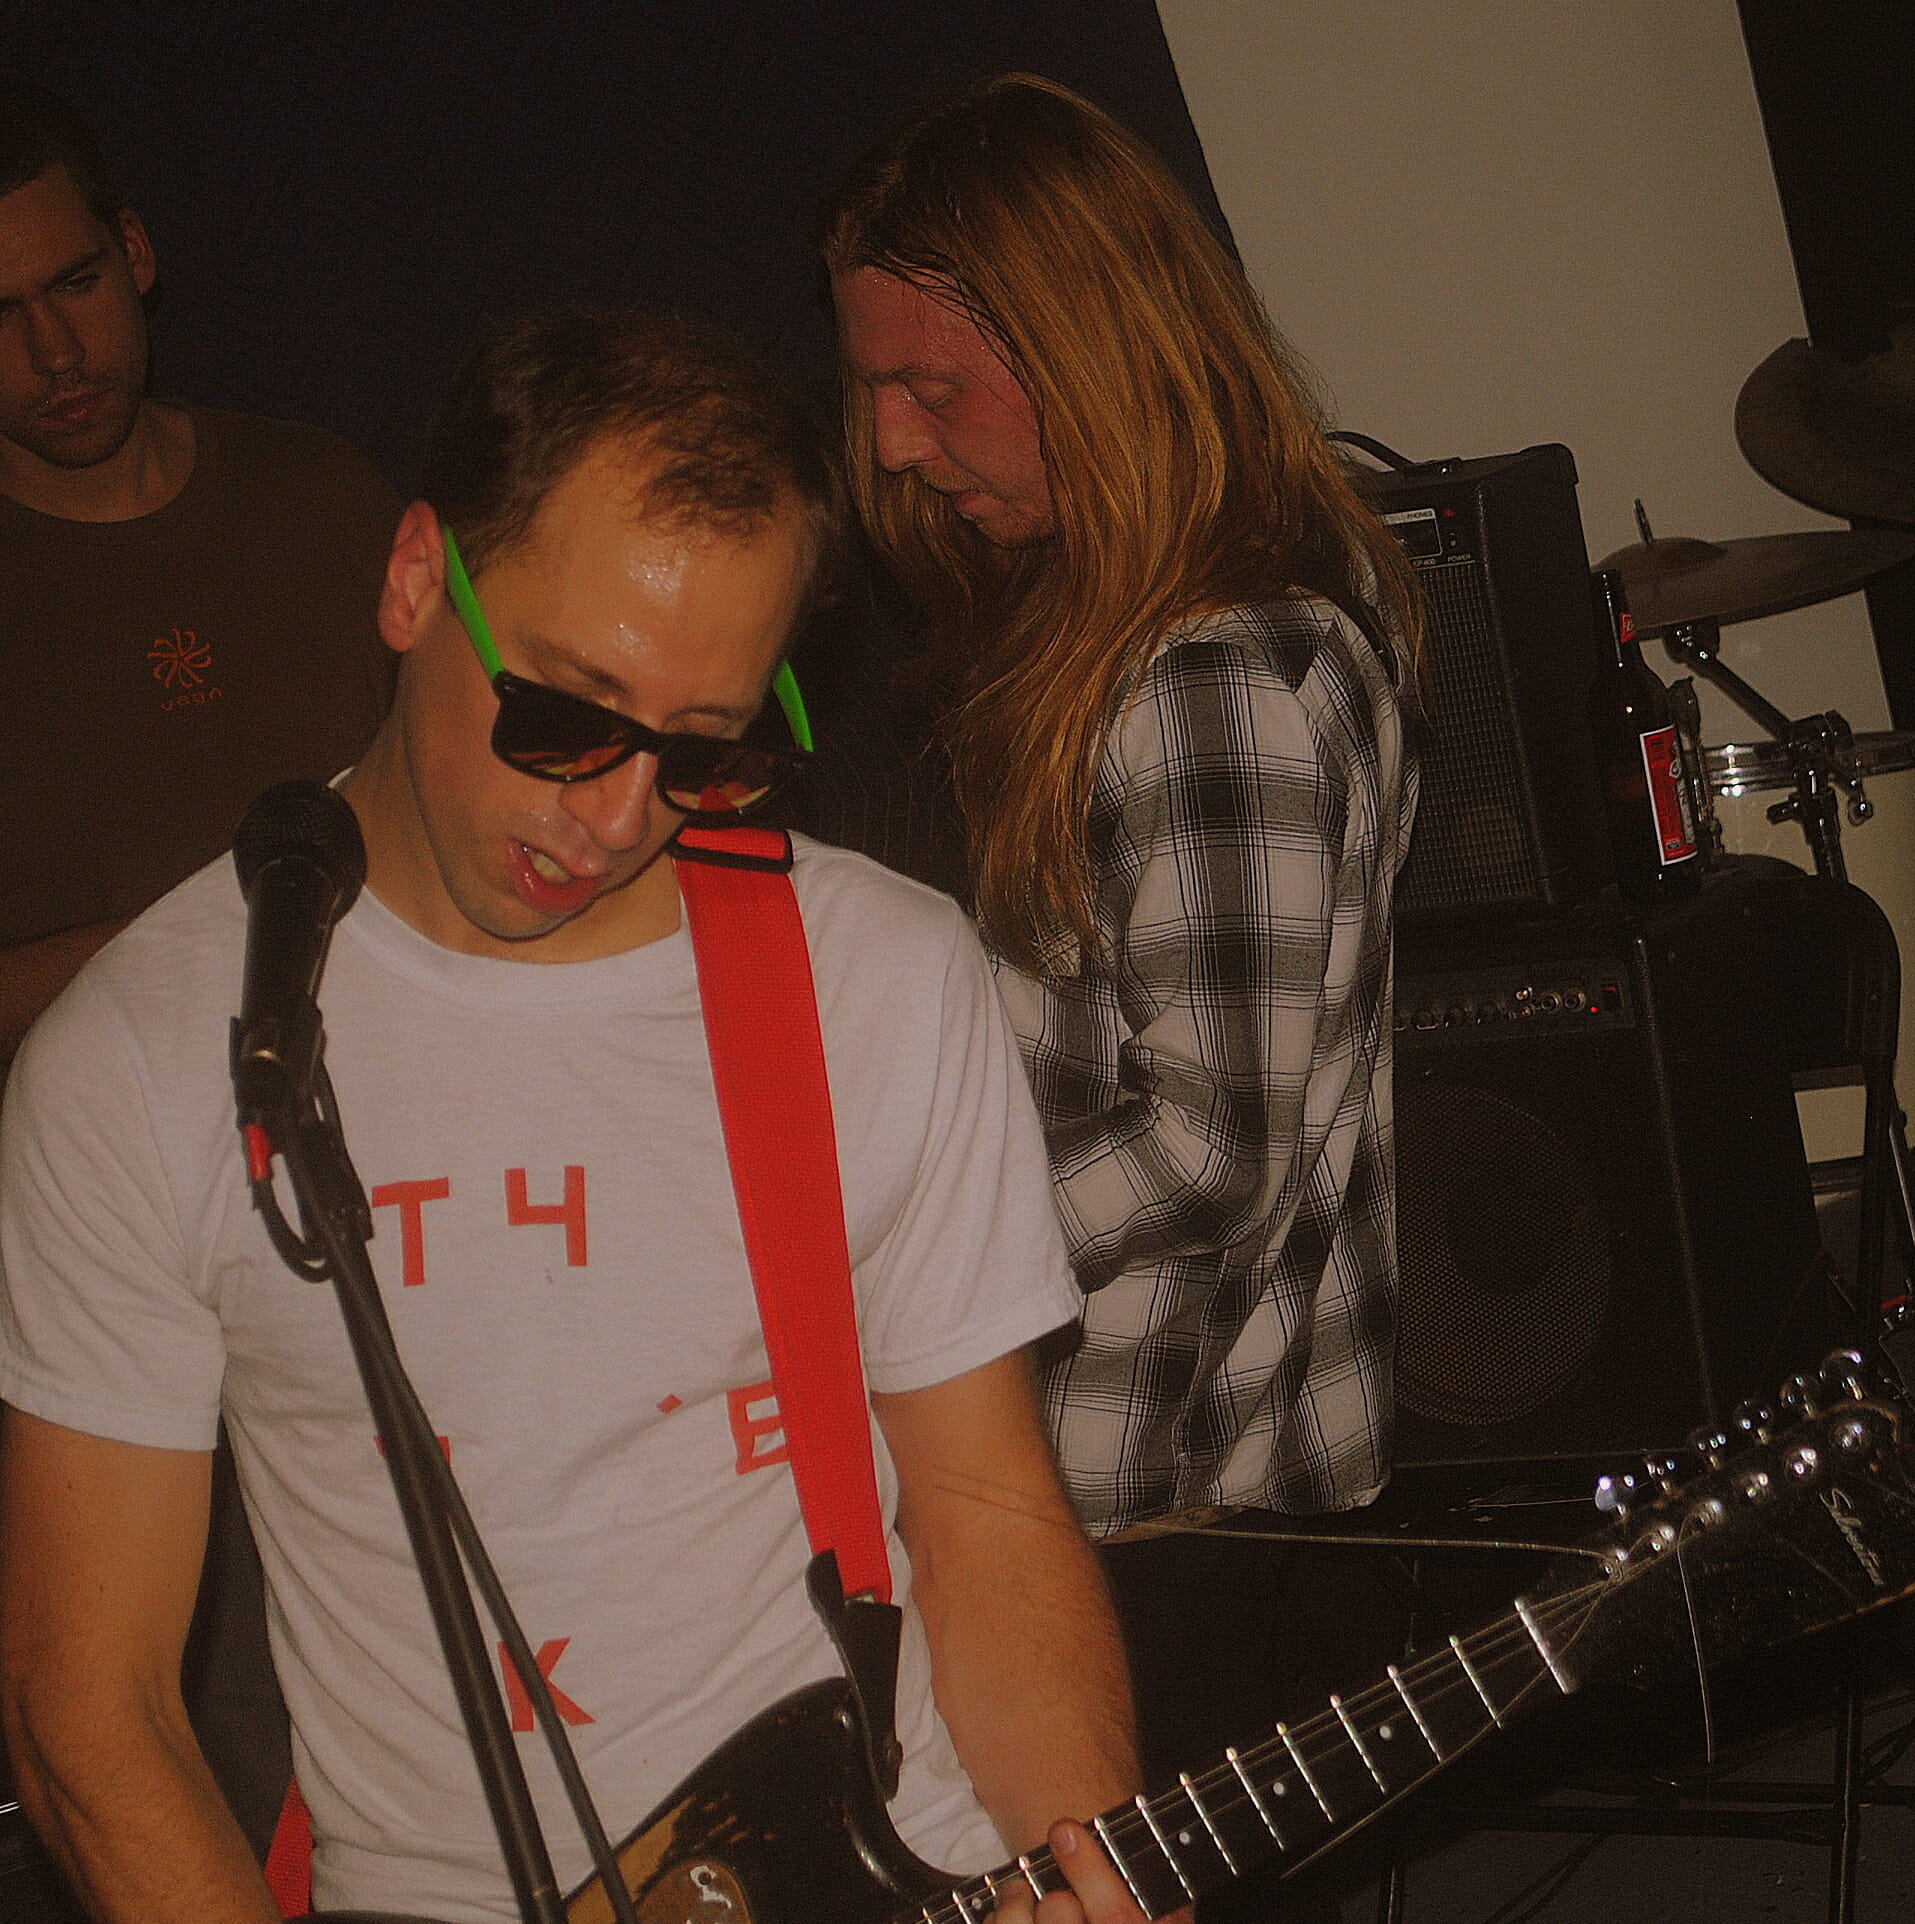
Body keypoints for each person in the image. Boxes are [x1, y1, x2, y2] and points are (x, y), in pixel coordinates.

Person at [0, 309, 1158, 1924]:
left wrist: (1087, 1859)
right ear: (417, 581)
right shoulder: (141, 1057)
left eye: (699, 751)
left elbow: (983, 1518)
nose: (613, 817)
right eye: (565, 715)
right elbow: (89, 1704)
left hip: (892, 1863)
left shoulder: (874, 972)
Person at [825, 74, 1421, 1917]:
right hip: (1145, 1496)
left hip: (1164, 1502)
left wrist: (867, 1273)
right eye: (873, 386)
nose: (893, 443)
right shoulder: (1134, 628)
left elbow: (1204, 1137)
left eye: (933, 385)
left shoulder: (1215, 672)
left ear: (1083, 346)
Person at [0, 80, 395, 1067]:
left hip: (408, 1101)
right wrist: (218, 934)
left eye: (76, 283)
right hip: (97, 1137)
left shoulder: (323, 492)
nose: (55, 352)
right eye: (0, 314)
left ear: (134, 252)